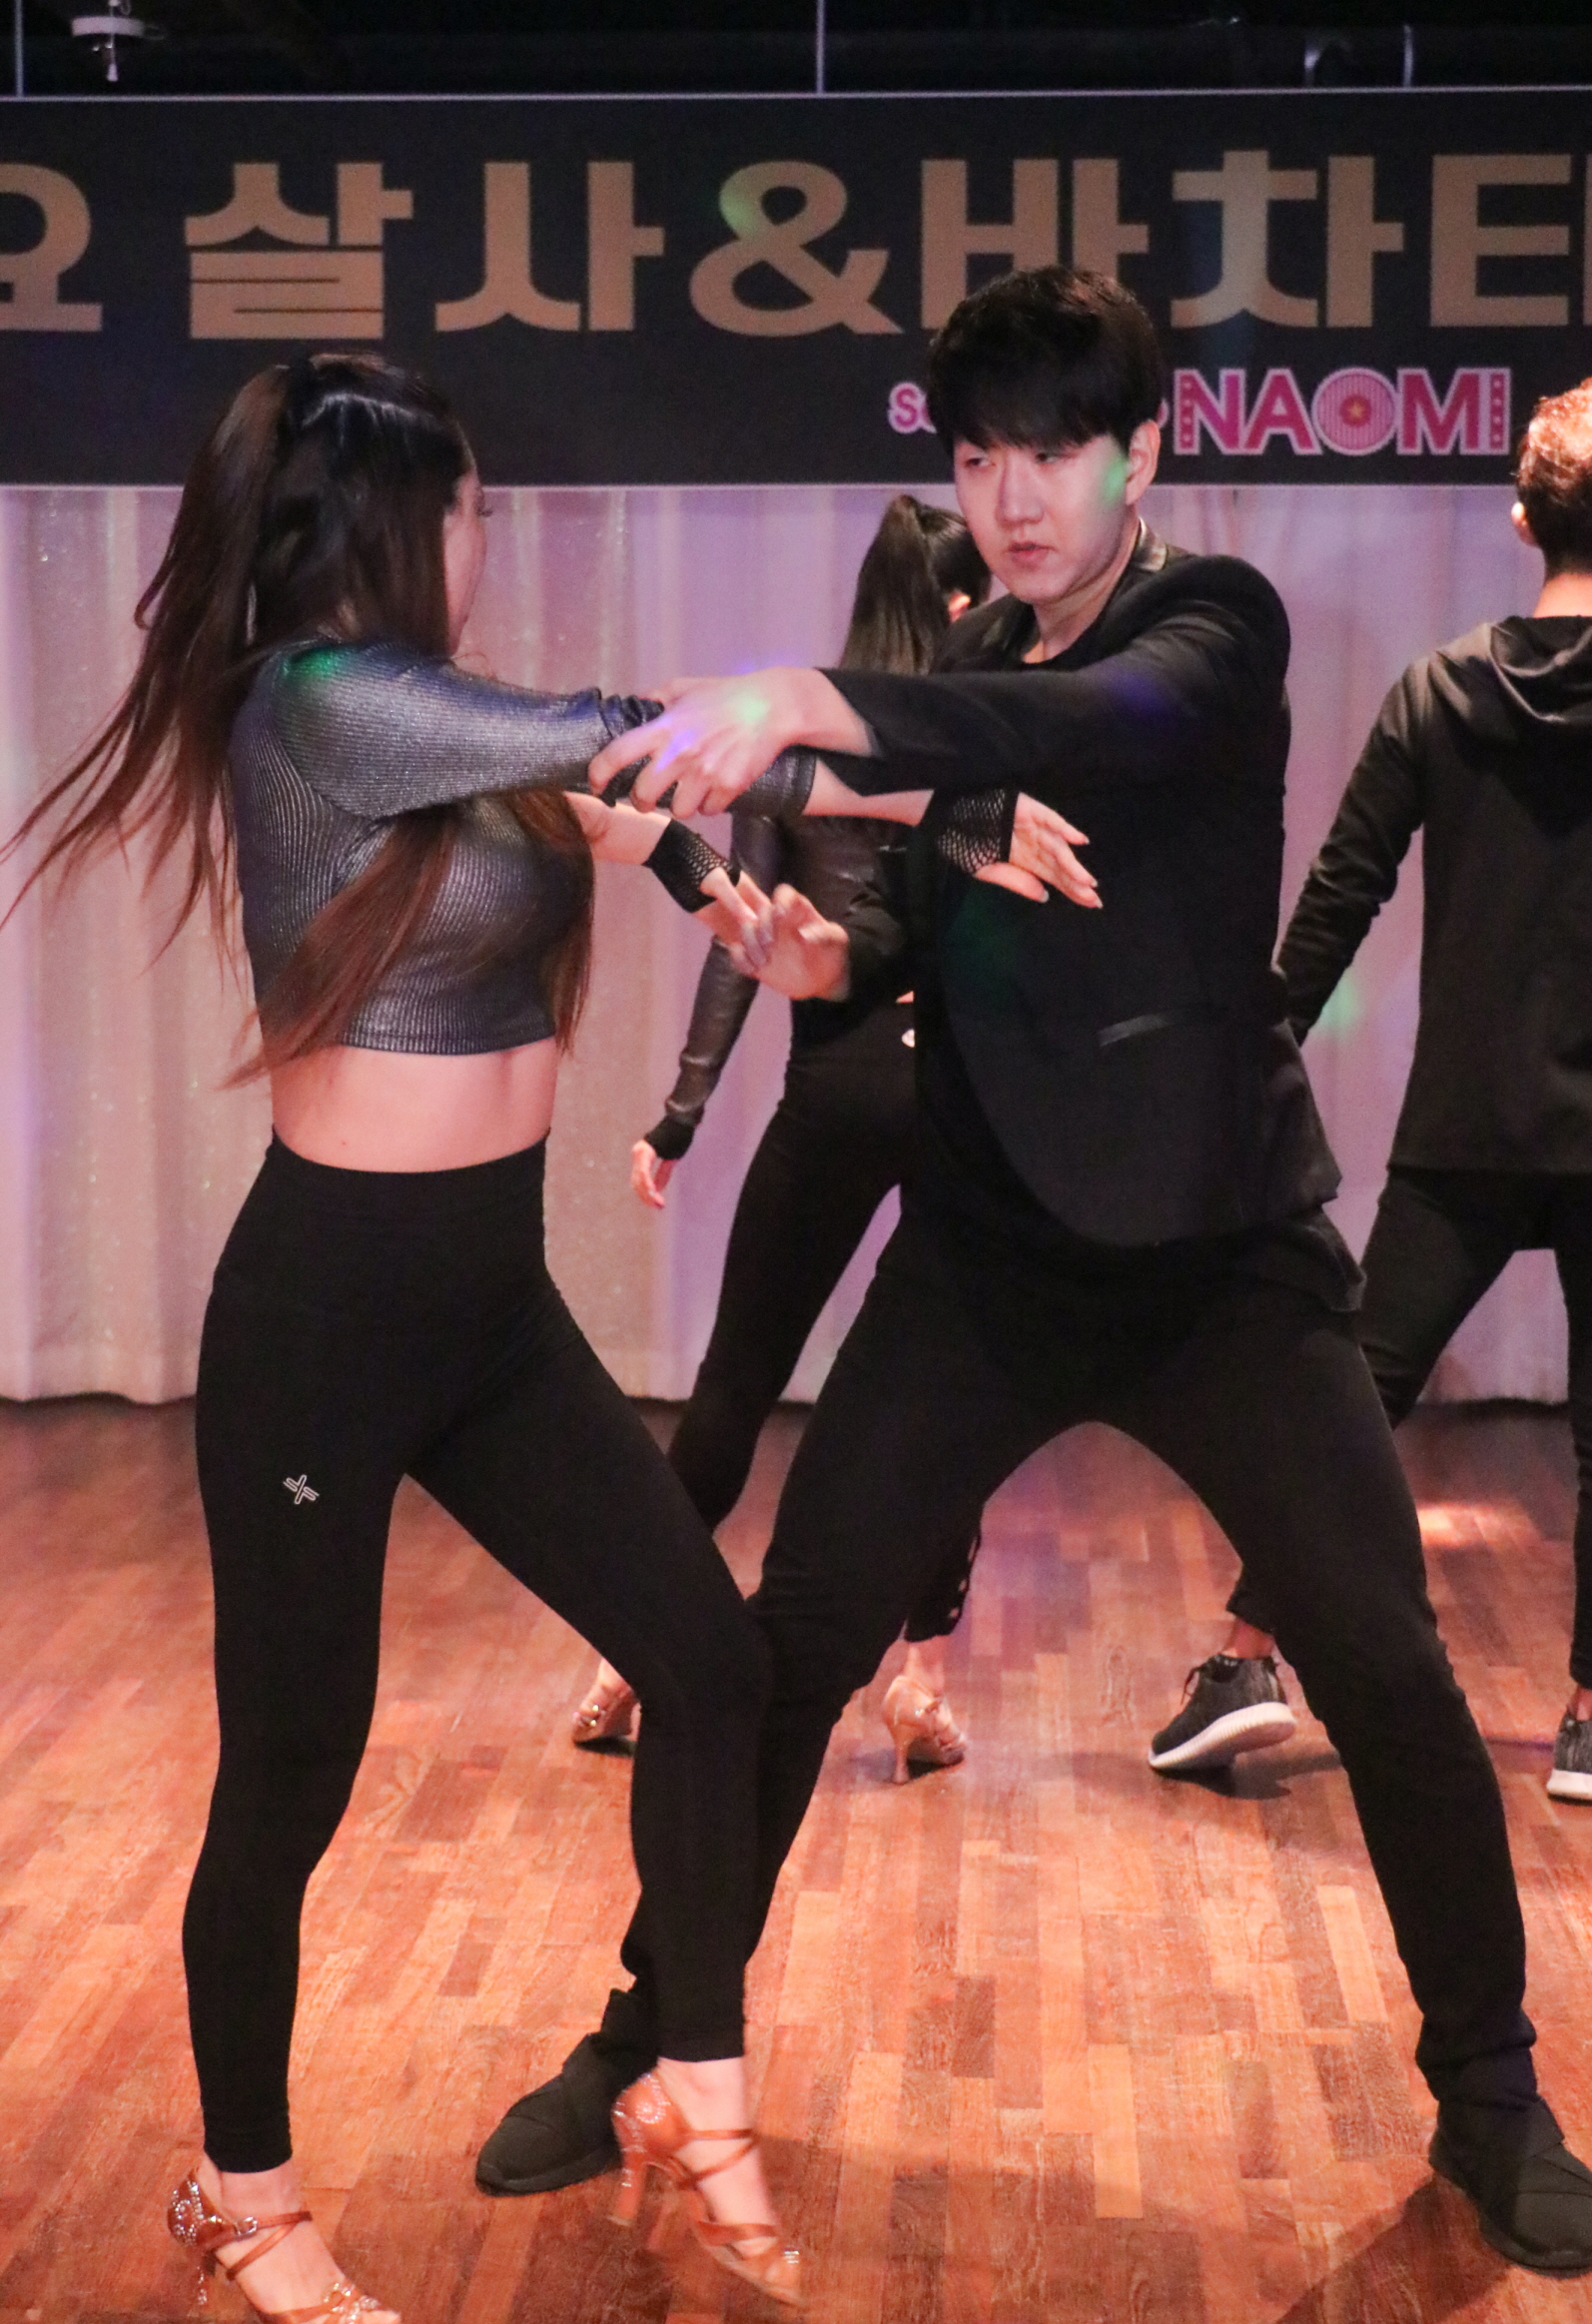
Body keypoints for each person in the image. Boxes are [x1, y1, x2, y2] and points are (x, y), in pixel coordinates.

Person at [481, 270, 1592, 2280]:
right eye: (979, 454)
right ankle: (650, 2025)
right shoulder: (979, 650)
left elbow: (1079, 730)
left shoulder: (1213, 628)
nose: (1007, 497)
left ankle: (1491, 2089)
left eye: (1051, 453)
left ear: (1138, 453)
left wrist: (816, 710)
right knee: (791, 1645)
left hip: (1222, 1261)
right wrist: (826, 955)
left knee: (1384, 1666)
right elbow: (918, 919)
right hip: (984, 1256)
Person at [3, 356, 809, 2320]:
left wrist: (713, 883)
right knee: (293, 1769)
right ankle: (241, 2193)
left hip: (487, 1313)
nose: (486, 536)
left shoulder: (434, 727)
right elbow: (611, 736)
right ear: (390, 522)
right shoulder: (317, 705)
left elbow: (600, 800)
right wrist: (842, 755)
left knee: (711, 1666)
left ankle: (690, 2075)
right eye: (468, 507)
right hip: (327, 1321)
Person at [1153, 377, 1592, 1802]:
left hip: (1466, 1120)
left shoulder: (1436, 692)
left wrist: (1244, 1062)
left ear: (1520, 520)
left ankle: (1244, 1656)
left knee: (1347, 1397)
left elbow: (1337, 900)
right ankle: (1590, 1718)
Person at [571, 494, 1002, 1782]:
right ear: (959, 603)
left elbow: (744, 940)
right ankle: (920, 1685)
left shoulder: (797, 733)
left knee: (736, 1383)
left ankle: (625, 1656)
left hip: (839, 1085)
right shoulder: (980, 738)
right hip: (958, 1096)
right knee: (948, 1398)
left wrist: (682, 1113)